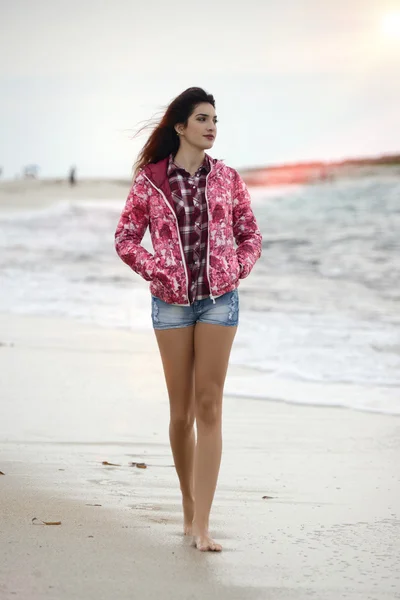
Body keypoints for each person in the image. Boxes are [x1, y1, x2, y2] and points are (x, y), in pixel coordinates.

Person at [114, 87, 262, 552]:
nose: (212, 126)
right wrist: (159, 271)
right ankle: (186, 501)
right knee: (180, 413)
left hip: (220, 301)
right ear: (180, 127)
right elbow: (125, 239)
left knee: (209, 405)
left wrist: (236, 268)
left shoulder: (228, 179)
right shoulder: (150, 181)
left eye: (215, 119)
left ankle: (202, 524)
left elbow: (249, 234)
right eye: (202, 118)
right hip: (172, 305)